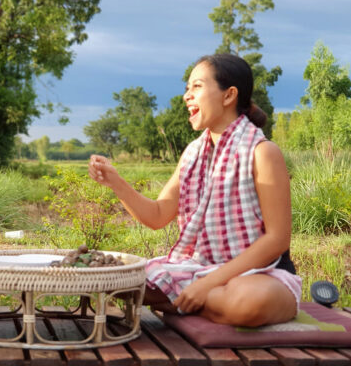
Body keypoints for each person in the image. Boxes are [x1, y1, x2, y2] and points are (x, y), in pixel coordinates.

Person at [89, 53, 301, 327]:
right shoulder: (193, 153)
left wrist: (207, 284)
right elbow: (157, 215)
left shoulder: (263, 152)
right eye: (187, 88)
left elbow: (277, 239)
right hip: (199, 269)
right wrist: (115, 181)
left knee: (248, 303)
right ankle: (198, 302)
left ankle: (183, 303)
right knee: (118, 280)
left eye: (197, 86)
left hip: (261, 274)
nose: (186, 95)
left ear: (229, 96)